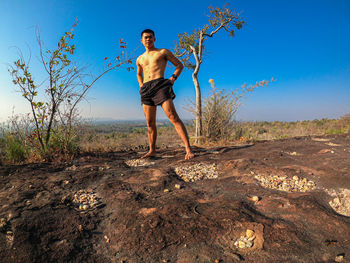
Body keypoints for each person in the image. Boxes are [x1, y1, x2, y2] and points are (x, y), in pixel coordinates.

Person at [136, 29, 194, 160]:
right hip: (146, 89)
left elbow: (179, 65)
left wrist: (172, 79)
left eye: (150, 37)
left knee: (173, 117)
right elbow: (139, 74)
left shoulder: (163, 52)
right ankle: (152, 151)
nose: (148, 39)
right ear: (141, 40)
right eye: (145, 38)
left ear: (154, 39)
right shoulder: (139, 58)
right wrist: (141, 85)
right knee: (150, 123)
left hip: (160, 85)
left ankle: (188, 149)